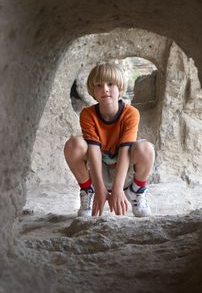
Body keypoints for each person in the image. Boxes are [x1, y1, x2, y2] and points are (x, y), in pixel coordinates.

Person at [64, 62, 155, 217]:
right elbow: (94, 150)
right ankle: (88, 190)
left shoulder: (130, 113)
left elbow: (125, 151)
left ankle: (136, 191)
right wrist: (99, 188)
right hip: (98, 174)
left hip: (125, 174)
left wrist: (118, 189)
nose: (105, 89)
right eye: (99, 85)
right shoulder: (88, 114)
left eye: (110, 84)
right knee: (74, 144)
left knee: (146, 148)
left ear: (119, 87)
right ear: (92, 90)